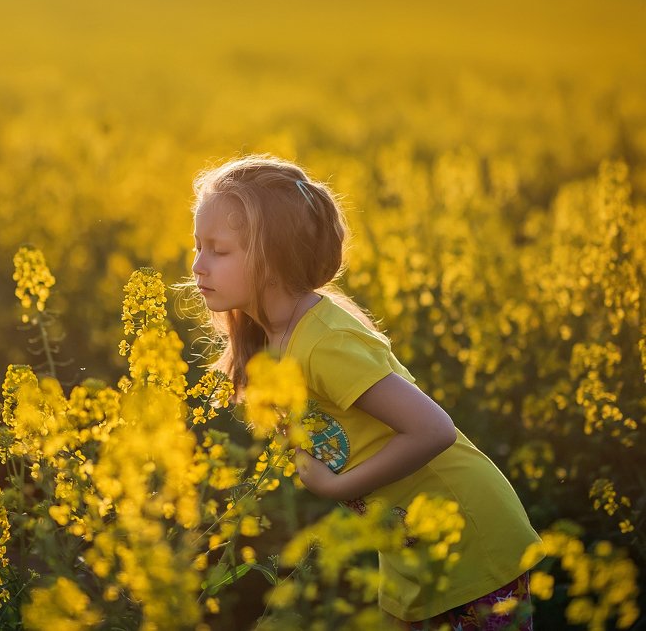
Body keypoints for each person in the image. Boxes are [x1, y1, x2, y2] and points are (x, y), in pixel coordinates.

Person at [189, 154, 544, 629]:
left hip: (469, 536)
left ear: (271, 258)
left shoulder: (324, 342)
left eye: (218, 250)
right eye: (197, 247)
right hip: (406, 544)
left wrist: (335, 486)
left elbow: (433, 430)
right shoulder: (271, 339)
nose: (197, 265)